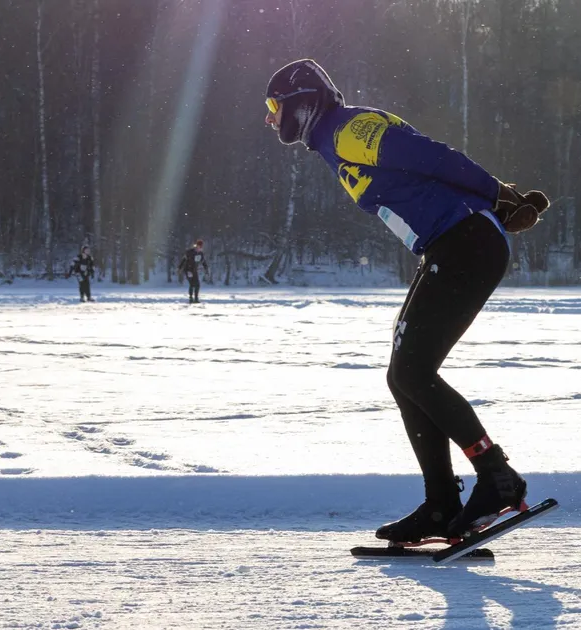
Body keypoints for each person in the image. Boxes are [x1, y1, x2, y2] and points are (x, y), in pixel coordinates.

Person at [263, 59, 550, 543]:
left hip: (464, 241)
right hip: (452, 243)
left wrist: (497, 194)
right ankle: (441, 504)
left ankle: (497, 477)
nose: (270, 119)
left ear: (302, 102)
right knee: (404, 376)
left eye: (274, 107)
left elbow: (432, 156)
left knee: (413, 371)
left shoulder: (347, 130)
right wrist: (497, 199)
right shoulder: (338, 136)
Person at [178, 239, 209, 304]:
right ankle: (191, 298)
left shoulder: (200, 254)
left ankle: (196, 298)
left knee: (197, 285)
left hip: (194, 270)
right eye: (198, 246)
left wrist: (206, 269)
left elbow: (203, 262)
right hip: (188, 270)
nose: (199, 248)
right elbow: (183, 260)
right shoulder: (190, 252)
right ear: (196, 246)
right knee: (192, 284)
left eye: (200, 247)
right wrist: (179, 268)